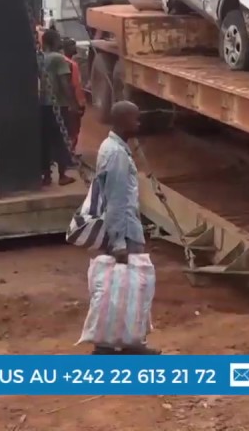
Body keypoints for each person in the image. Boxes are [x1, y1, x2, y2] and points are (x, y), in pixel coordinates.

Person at [92, 100, 159, 355]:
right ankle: (112, 346)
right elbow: (117, 200)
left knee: (120, 288)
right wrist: (119, 242)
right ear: (122, 121)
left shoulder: (112, 147)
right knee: (127, 289)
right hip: (126, 232)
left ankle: (123, 342)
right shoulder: (117, 155)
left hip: (125, 230)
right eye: (134, 119)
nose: (138, 124)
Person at [39, 29, 77, 186]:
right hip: (58, 104)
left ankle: (46, 175)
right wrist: (72, 102)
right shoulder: (59, 59)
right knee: (61, 139)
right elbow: (65, 83)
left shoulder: (40, 58)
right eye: (58, 39)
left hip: (43, 105)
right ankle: (62, 175)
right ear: (54, 42)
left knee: (45, 140)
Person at [61, 38, 86, 153]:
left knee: (68, 129)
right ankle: (70, 154)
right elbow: (73, 86)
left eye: (74, 45)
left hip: (67, 103)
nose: (74, 48)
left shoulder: (65, 62)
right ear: (65, 48)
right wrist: (77, 105)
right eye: (72, 45)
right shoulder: (70, 64)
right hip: (72, 104)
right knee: (73, 130)